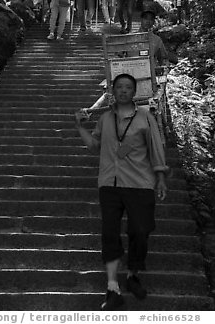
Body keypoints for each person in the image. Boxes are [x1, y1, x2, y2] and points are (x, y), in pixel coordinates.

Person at [75, 73, 168, 311]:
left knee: (140, 230)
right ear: (113, 92)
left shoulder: (145, 117)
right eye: (119, 87)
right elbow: (94, 146)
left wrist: (160, 177)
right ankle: (112, 287)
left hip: (139, 183)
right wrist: (79, 126)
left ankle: (133, 274)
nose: (123, 91)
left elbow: (156, 148)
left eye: (128, 87)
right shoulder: (105, 119)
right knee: (110, 234)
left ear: (134, 92)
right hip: (109, 184)